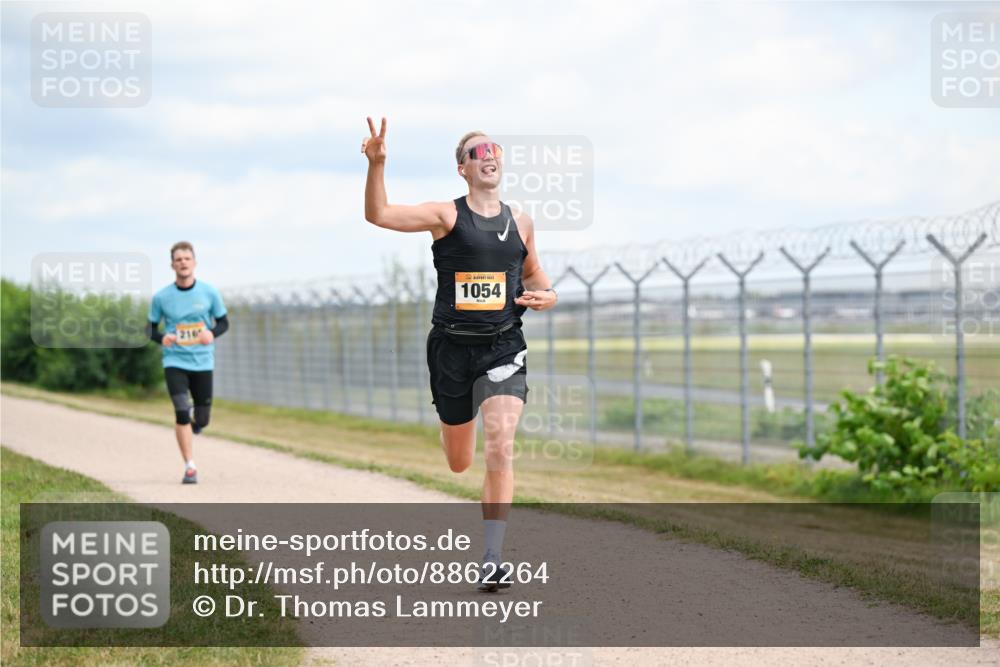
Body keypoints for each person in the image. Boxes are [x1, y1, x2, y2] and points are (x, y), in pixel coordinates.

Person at [362, 117, 557, 591]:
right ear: (462, 169)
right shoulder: (446, 216)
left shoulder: (521, 222)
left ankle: (493, 557)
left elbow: (537, 280)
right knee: (458, 462)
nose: (488, 155)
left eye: (493, 149)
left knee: (501, 444)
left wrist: (546, 295)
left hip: (503, 347)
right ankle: (455, 425)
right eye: (477, 151)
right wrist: (377, 165)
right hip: (451, 350)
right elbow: (379, 214)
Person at [147, 241, 229, 484]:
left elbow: (224, 323)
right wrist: (163, 338)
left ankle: (197, 424)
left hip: (202, 361)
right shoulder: (162, 297)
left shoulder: (209, 292)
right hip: (175, 361)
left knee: (202, 418)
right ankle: (189, 466)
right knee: (182, 411)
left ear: (194, 263)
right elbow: (149, 328)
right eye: (178, 259)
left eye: (187, 258)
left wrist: (211, 334)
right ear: (172, 264)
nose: (183, 262)